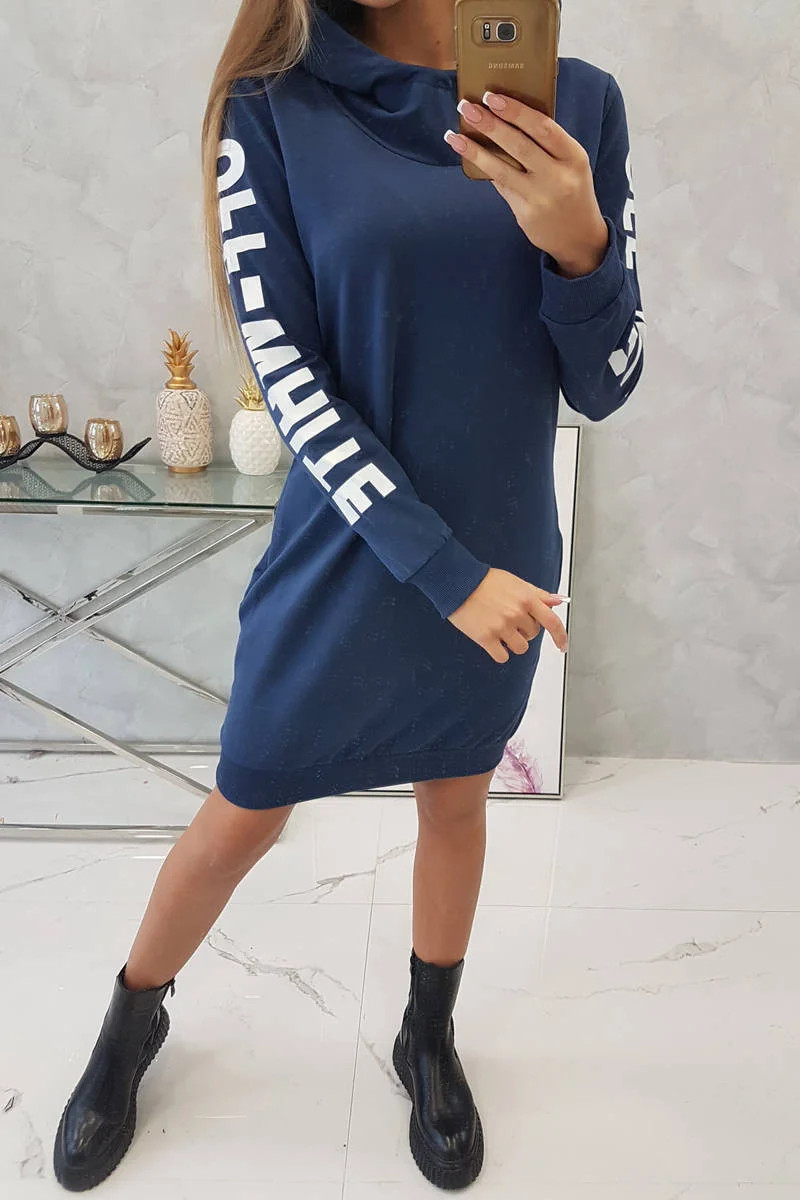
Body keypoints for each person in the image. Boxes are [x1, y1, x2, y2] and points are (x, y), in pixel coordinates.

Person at [52, 0, 644, 1191]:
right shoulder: (272, 108)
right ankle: (130, 1021)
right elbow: (288, 375)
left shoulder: (577, 101)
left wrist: (579, 246)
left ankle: (427, 1035)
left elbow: (607, 380)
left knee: (456, 799)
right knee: (244, 806)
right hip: (354, 548)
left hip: (500, 550)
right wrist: (444, 574)